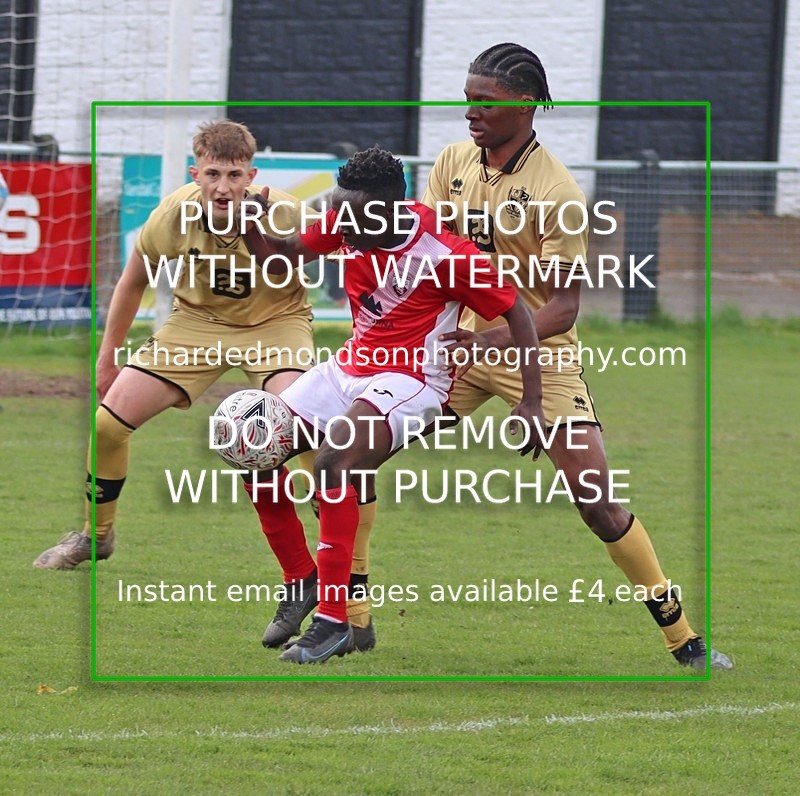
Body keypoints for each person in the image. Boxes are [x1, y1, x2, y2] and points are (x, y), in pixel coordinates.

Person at [424, 43, 732, 671]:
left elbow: (563, 308)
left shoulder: (557, 190)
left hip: (537, 351)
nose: (470, 113)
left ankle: (684, 640)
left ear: (527, 106)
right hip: (457, 347)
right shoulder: (452, 162)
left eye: (484, 102)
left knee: (596, 499)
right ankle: (349, 617)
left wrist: (493, 347)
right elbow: (433, 258)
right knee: (355, 448)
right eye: (467, 100)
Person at [31, 119, 378, 650]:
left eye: (234, 174)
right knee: (107, 425)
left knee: (311, 443)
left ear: (252, 175)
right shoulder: (174, 211)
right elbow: (134, 279)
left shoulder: (284, 210)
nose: (222, 186)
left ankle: (342, 592)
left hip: (276, 327)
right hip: (194, 327)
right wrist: (108, 356)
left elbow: (358, 262)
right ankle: (94, 536)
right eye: (212, 173)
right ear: (195, 173)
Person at [241, 145, 545, 663]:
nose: (338, 224)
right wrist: (250, 225)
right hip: (350, 368)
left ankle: (334, 622)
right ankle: (302, 578)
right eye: (337, 210)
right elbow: (281, 257)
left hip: (414, 380)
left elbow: (520, 315)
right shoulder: (349, 218)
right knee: (252, 443)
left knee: (335, 459)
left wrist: (532, 402)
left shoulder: (448, 256)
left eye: (348, 215)